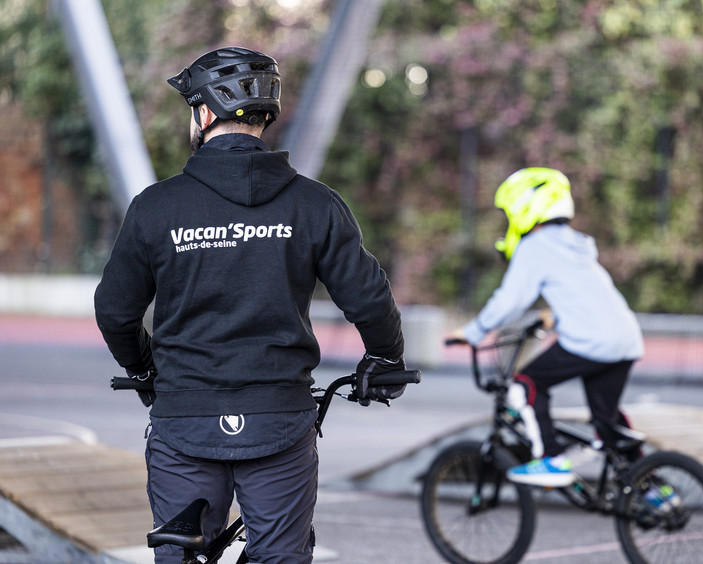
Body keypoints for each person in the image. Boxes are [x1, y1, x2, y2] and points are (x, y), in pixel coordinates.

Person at [94, 46, 406, 564]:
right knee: (280, 556)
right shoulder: (314, 204)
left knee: (181, 555)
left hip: (184, 417)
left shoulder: (157, 206)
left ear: (205, 112)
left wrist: (141, 366)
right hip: (279, 418)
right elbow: (369, 297)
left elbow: (115, 311)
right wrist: (385, 359)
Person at [447, 167, 643, 487]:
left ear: (526, 207)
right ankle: (650, 486)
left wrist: (471, 333)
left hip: (590, 341)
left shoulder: (536, 246)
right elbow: (584, 293)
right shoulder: (576, 244)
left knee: (525, 385)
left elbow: (510, 301)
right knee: (606, 422)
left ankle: (550, 460)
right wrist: (554, 315)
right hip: (625, 340)